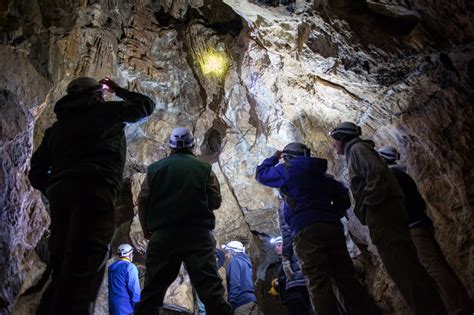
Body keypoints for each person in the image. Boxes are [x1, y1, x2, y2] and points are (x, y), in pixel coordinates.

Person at [28, 77, 155, 315]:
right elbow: (146, 106)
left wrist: (55, 188)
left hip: (61, 197)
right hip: (95, 192)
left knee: (62, 268)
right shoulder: (104, 112)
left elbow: (35, 172)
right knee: (86, 265)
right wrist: (117, 90)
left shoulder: (57, 129)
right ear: (97, 95)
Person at [328, 122, 446, 314]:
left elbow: (377, 175)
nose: (333, 145)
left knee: (404, 270)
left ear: (342, 139)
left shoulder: (357, 149)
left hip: (383, 217)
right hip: (384, 215)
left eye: (334, 141)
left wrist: (369, 207)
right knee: (407, 269)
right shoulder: (356, 150)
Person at [255, 142, 374, 315]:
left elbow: (261, 174)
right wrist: (331, 213)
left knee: (318, 283)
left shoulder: (287, 169)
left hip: (306, 230)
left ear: (287, 156)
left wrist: (274, 157)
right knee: (347, 278)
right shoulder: (321, 174)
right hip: (332, 227)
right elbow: (343, 196)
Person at [135, 127, 232, 315]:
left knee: (152, 294)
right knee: (212, 294)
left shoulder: (155, 169)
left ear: (170, 146)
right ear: (192, 145)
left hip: (163, 236)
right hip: (197, 236)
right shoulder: (204, 169)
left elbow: (142, 200)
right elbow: (216, 201)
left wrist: (147, 230)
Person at [377, 146, 473, 314]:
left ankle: (459, 308)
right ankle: (461, 303)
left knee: (434, 268)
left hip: (414, 229)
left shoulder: (393, 177)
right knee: (439, 265)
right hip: (421, 224)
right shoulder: (403, 175)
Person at [271, 233, 313, 315]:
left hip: (297, 294)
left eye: (279, 245)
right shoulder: (284, 263)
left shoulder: (294, 256)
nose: (276, 248)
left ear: (286, 245)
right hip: (291, 297)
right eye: (275, 246)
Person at [222, 241, 258, 315]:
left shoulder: (235, 261)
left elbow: (235, 283)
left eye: (227, 251)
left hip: (241, 303)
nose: (226, 255)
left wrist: (232, 303)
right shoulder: (246, 262)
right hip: (252, 300)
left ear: (232, 251)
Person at [108, 244, 141, 315]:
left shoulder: (111, 267)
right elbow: (134, 291)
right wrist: (137, 308)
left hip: (113, 307)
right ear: (130, 255)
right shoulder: (130, 267)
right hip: (126, 309)